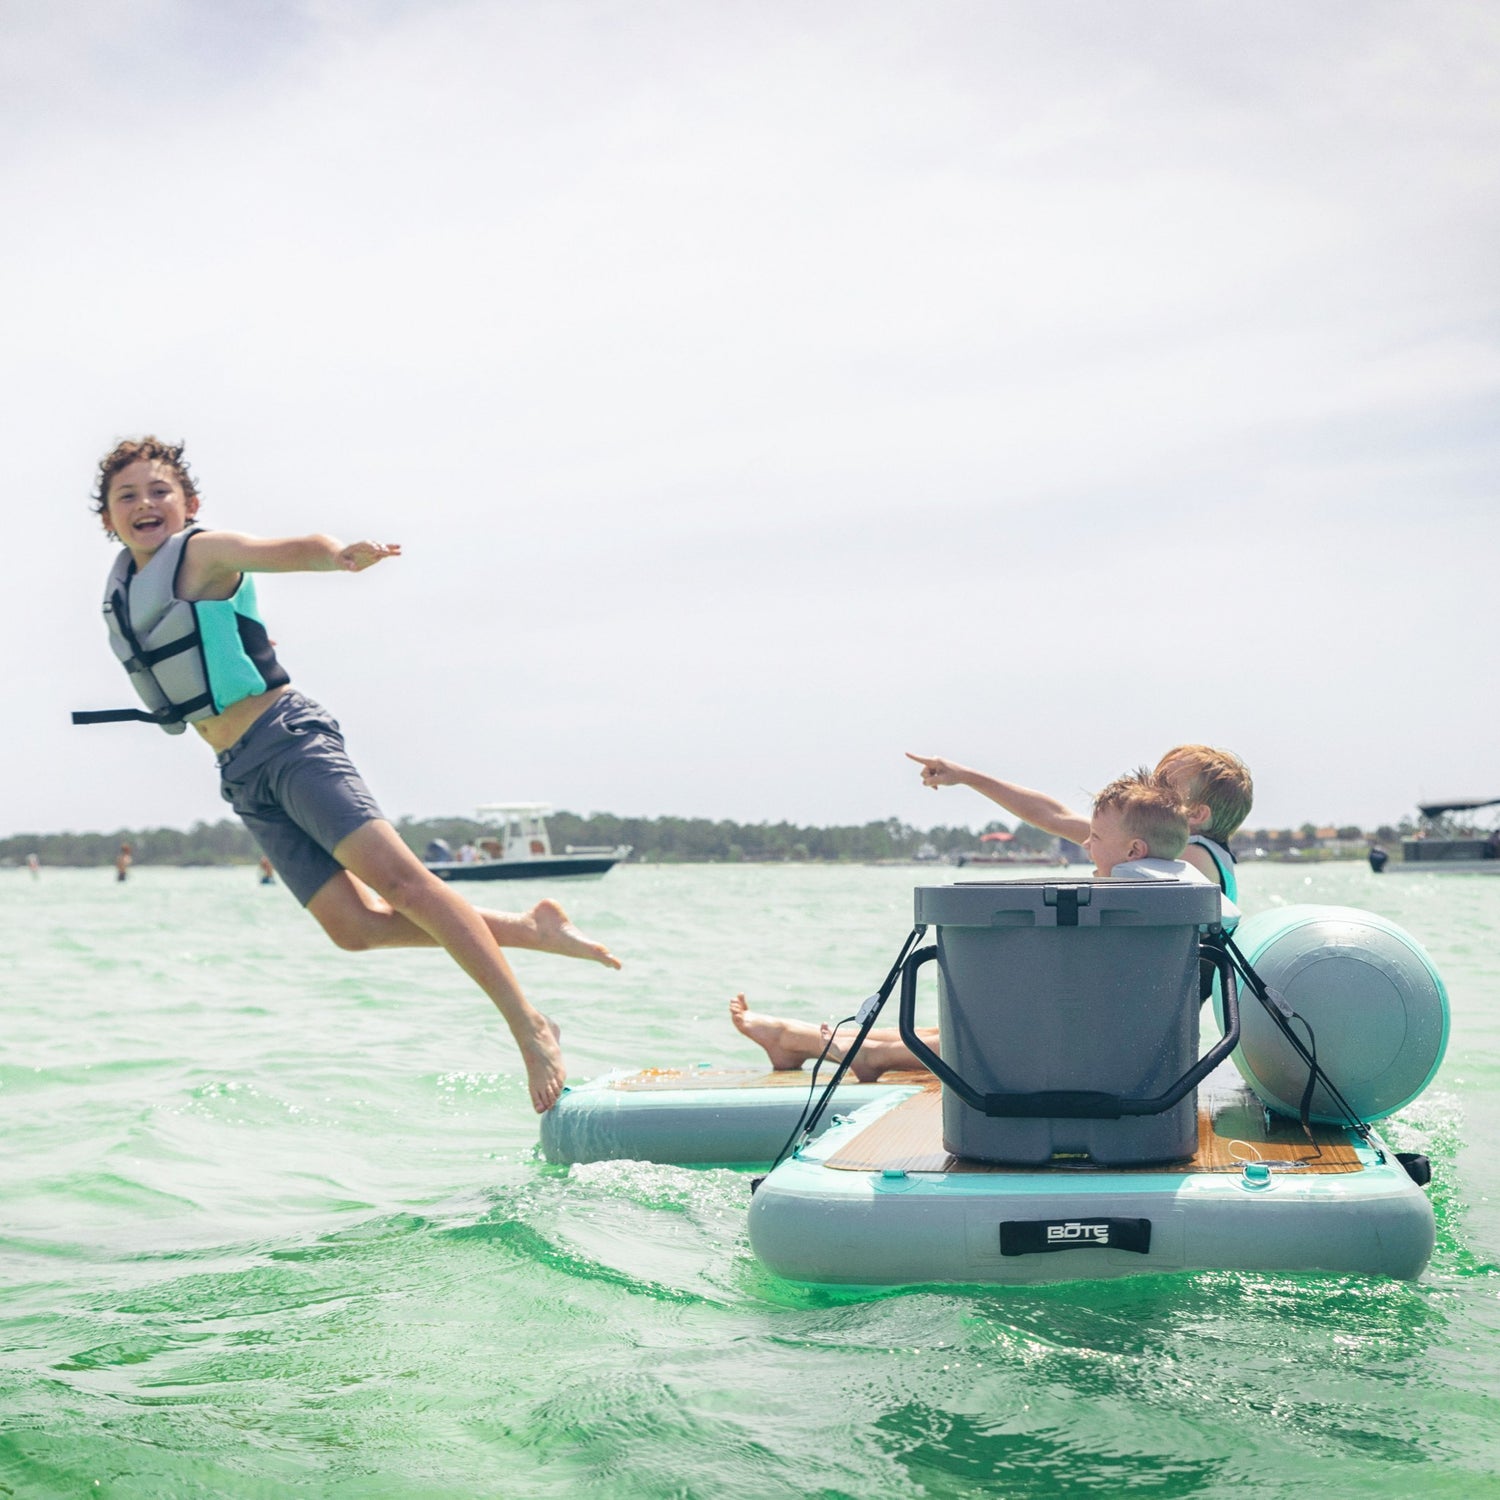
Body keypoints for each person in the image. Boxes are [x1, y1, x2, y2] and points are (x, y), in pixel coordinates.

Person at [74, 437, 614, 1112]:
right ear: (107, 520)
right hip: (239, 772)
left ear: (189, 505)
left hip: (288, 740)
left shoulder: (203, 554)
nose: (145, 504)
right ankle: (535, 931)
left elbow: (288, 548)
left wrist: (338, 556)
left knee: (403, 883)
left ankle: (530, 1026)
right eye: (127, 496)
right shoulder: (122, 593)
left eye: (160, 491)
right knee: (354, 928)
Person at [731, 769, 1220, 1081]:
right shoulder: (1186, 887)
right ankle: (800, 1040)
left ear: (1134, 851)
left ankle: (829, 1047)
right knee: (949, 1027)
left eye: (1093, 838)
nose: (1086, 846)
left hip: (1070, 1054)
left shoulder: (1120, 896)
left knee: (971, 1030)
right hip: (1128, 1051)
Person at [907, 742, 1252, 899]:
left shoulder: (1189, 861)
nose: (1150, 788)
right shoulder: (1170, 847)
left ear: (1196, 814)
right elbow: (1053, 816)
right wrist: (967, 776)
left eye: (1164, 783)